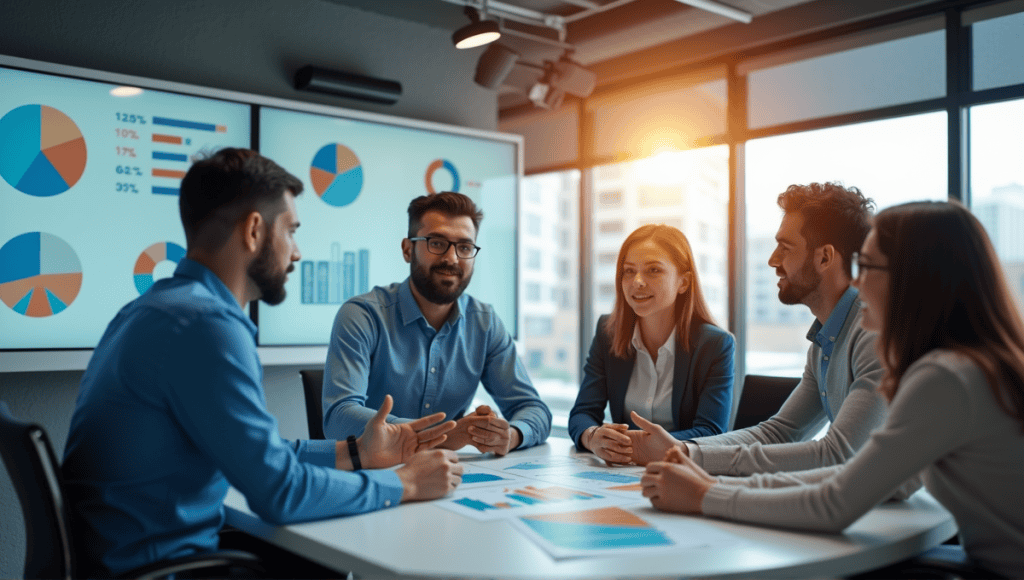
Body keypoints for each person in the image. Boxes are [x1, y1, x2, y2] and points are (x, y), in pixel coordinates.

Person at [62, 149, 463, 578]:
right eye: (290, 231)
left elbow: (264, 457)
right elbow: (280, 493)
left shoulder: (156, 310)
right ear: (254, 230)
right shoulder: (206, 327)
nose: (296, 254)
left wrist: (356, 452)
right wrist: (406, 483)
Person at [641, 200, 1024, 578]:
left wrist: (707, 495)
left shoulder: (945, 378)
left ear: (912, 278)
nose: (857, 283)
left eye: (868, 267)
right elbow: (879, 480)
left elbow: (836, 500)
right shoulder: (963, 366)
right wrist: (708, 479)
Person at [634, 182, 886, 475]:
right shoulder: (824, 342)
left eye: (785, 247)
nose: (772, 260)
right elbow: (778, 433)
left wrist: (691, 459)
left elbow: (839, 454)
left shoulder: (874, 334)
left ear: (825, 258)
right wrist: (684, 450)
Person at [322, 191, 551, 455]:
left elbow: (534, 410)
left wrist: (509, 435)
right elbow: (338, 418)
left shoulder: (485, 324)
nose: (452, 259)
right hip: (371, 475)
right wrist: (445, 435)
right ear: (408, 250)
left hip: (445, 478)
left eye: (464, 247)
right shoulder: (362, 316)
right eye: (437, 243)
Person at [568, 224, 735, 465]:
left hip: (681, 474)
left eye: (653, 270)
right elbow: (582, 414)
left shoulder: (715, 345)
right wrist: (593, 437)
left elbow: (710, 432)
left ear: (683, 282)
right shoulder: (608, 333)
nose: (637, 281)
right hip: (619, 474)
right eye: (628, 271)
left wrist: (634, 446)